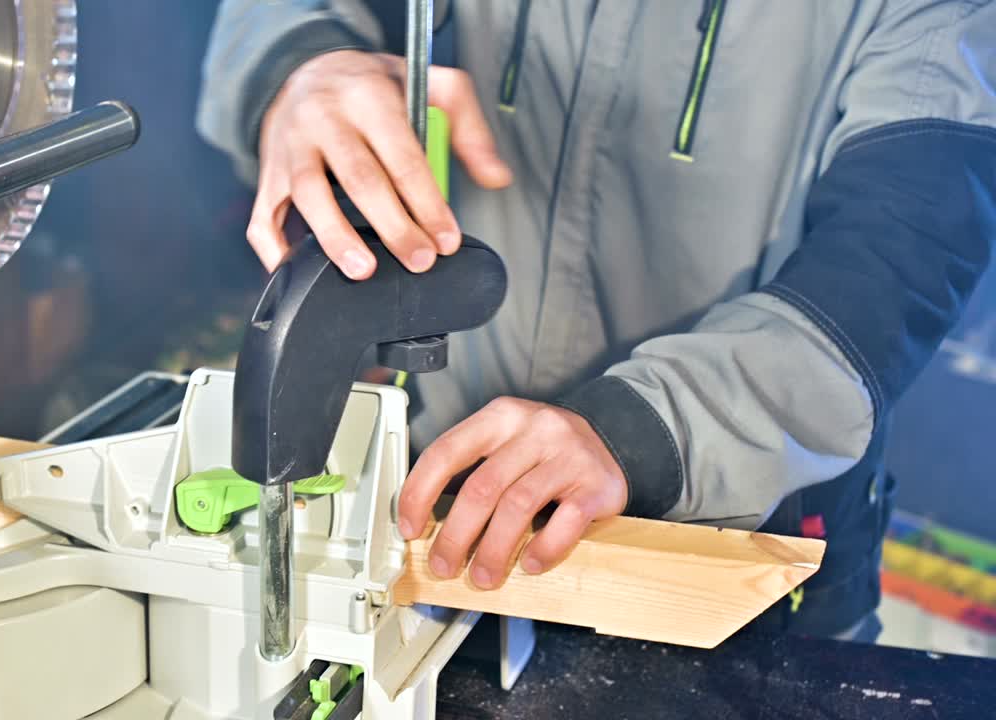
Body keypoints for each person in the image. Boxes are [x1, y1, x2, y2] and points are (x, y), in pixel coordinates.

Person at [197, 1, 996, 641]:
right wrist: (298, 67)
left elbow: (906, 247)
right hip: (449, 494)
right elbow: (277, 14)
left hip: (737, 549)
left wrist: (648, 429)